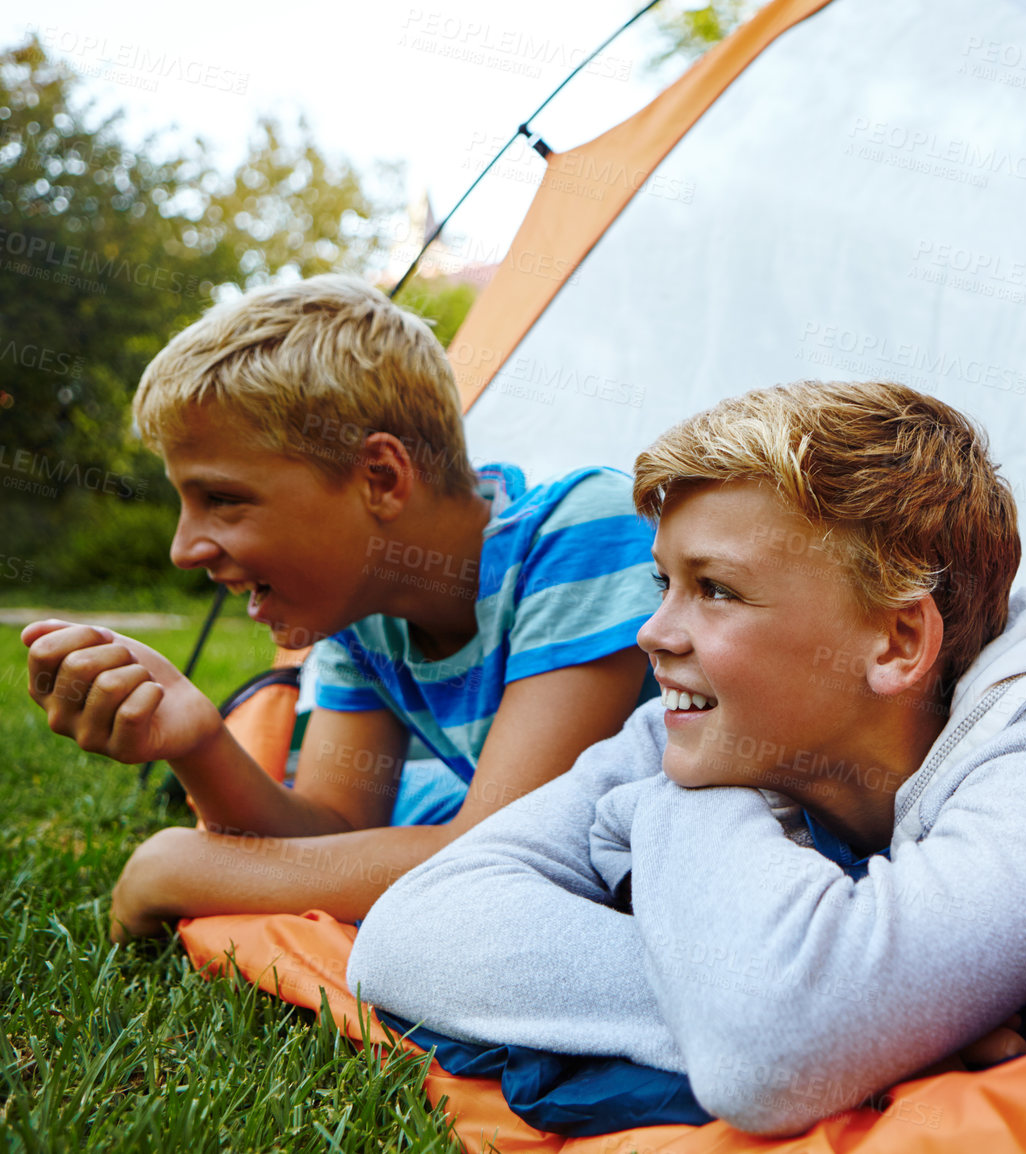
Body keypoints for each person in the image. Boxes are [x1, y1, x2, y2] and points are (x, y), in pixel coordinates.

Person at [346, 381, 1026, 1135]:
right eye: (662, 581)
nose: (653, 631)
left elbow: (770, 1049)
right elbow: (407, 932)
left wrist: (680, 821)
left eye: (715, 590)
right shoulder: (693, 737)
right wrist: (861, 1022)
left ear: (894, 644)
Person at [20, 276, 658, 941]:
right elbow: (337, 831)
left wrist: (186, 869)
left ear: (379, 478)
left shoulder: (584, 531)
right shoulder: (367, 613)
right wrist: (199, 741)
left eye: (222, 499)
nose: (184, 548)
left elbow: (505, 855)